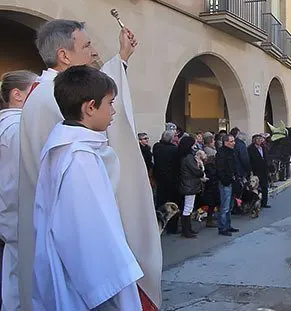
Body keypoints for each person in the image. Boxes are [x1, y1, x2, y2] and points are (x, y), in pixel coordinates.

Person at [17, 19, 162, 309]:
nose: (94, 52)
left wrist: (120, 59)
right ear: (64, 55)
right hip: (78, 259)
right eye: (86, 45)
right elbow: (86, 218)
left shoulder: (44, 93)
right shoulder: (56, 107)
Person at [33, 65, 143, 310]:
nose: (113, 111)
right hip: (92, 286)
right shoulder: (79, 157)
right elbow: (90, 233)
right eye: (110, 103)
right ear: (90, 107)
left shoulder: (63, 147)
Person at [0, 70, 38, 310]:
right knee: (19, 285)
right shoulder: (15, 128)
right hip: (17, 217)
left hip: (11, 217)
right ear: (18, 95)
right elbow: (18, 178)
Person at [178, 136, 204, 238]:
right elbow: (196, 171)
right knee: (188, 208)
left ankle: (187, 229)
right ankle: (186, 230)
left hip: (187, 184)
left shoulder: (184, 157)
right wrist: (200, 170)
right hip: (190, 185)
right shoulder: (189, 158)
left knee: (188, 207)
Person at [215, 134, 240, 236]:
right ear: (226, 142)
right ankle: (222, 227)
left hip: (232, 181)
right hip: (226, 182)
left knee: (229, 206)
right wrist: (225, 180)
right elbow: (220, 169)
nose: (233, 143)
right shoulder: (221, 153)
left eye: (233, 141)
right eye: (231, 141)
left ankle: (228, 225)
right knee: (225, 206)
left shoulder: (232, 152)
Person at [248, 134, 270, 208]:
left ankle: (264, 203)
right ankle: (254, 203)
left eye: (260, 139)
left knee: (264, 187)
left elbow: (267, 158)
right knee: (255, 188)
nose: (259, 140)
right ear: (254, 140)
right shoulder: (250, 149)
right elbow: (249, 160)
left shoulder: (264, 147)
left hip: (264, 170)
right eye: (257, 139)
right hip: (256, 170)